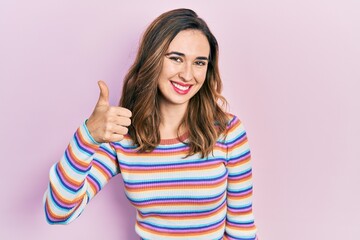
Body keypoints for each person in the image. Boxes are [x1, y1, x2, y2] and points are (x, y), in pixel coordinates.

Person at [43, 8, 258, 240]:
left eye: (199, 62)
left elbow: (241, 229)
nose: (188, 75)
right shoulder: (123, 137)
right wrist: (87, 137)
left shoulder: (228, 132)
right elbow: (59, 212)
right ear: (153, 59)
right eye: (176, 58)